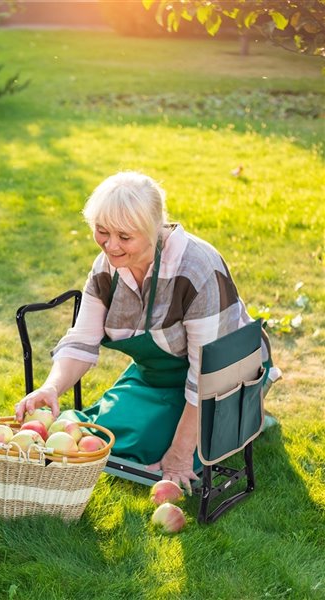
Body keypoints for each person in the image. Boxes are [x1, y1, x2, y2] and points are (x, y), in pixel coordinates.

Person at [15, 171, 277, 493]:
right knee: (104, 436)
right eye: (102, 231)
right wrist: (51, 388)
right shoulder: (105, 268)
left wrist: (180, 454)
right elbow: (81, 341)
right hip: (157, 375)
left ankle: (252, 404)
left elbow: (208, 373)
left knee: (162, 450)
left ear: (155, 229)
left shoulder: (196, 269)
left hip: (223, 376)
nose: (110, 246)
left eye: (124, 237)